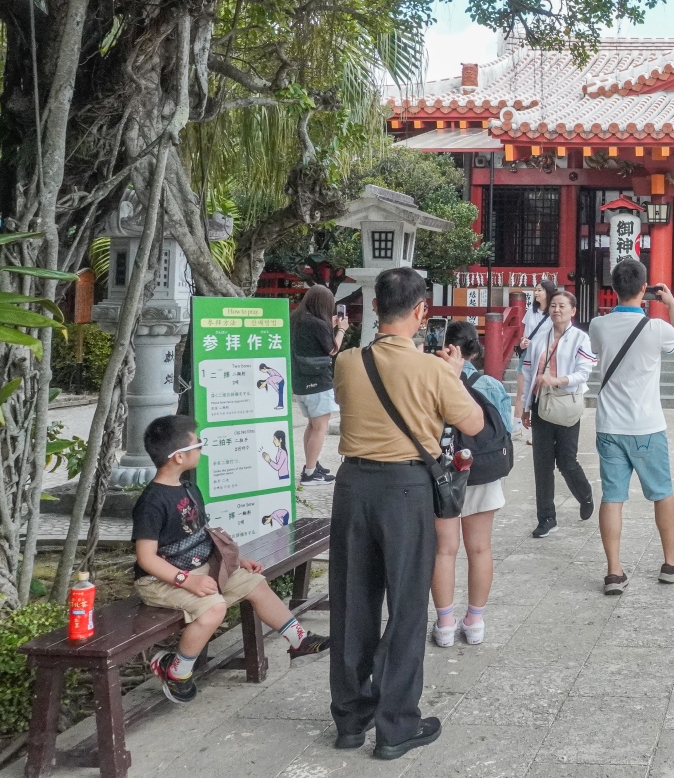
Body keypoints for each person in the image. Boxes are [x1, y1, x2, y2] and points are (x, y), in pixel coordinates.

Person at [329, 267, 484, 759]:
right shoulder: (433, 368)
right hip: (404, 490)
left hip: (353, 487)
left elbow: (344, 401)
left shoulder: (350, 361)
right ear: (421, 312)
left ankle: (351, 719)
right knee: (406, 604)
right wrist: (452, 378)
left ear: (375, 308)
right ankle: (396, 725)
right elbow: (473, 422)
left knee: (352, 601)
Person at [135, 414, 328, 704]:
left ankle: (299, 641)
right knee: (215, 608)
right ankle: (176, 671)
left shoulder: (188, 487)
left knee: (255, 583)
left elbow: (201, 535)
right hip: (160, 580)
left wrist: (236, 561)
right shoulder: (152, 502)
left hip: (198, 568)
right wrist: (187, 581)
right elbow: (146, 558)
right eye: (197, 445)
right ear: (178, 457)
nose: (201, 450)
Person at [588, 256, 674, 595]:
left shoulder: (597, 326)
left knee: (612, 497)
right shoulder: (656, 328)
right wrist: (672, 304)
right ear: (644, 289)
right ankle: (670, 561)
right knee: (662, 493)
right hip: (647, 425)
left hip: (609, 424)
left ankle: (614, 572)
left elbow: (596, 353)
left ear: (613, 288)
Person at [430, 321, 514, 647]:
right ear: (474, 351)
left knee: (444, 549)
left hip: (443, 473)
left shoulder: (430, 379)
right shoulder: (490, 385)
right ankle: (475, 622)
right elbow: (504, 428)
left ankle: (445, 624)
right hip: (481, 469)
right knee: (480, 548)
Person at [520, 288, 596, 538]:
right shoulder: (540, 337)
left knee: (566, 460)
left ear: (573, 311)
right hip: (541, 404)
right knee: (542, 465)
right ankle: (546, 517)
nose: (556, 310)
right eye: (553, 305)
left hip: (566, 403)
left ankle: (584, 494)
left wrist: (557, 380)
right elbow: (529, 373)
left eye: (562, 306)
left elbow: (584, 373)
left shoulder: (580, 338)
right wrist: (525, 405)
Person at [291, 284, 349, 484]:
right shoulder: (317, 323)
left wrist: (329, 327)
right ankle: (309, 473)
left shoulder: (296, 320)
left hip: (300, 383)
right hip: (318, 383)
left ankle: (312, 464)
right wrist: (341, 329)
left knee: (312, 425)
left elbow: (313, 343)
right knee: (320, 427)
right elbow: (332, 349)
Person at [512, 281, 557, 443]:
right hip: (527, 355)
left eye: (540, 290)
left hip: (543, 357)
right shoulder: (530, 312)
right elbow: (525, 333)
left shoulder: (553, 313)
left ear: (548, 292)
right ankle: (516, 428)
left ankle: (536, 432)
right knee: (521, 391)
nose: (536, 293)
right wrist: (523, 342)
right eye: (536, 290)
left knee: (539, 394)